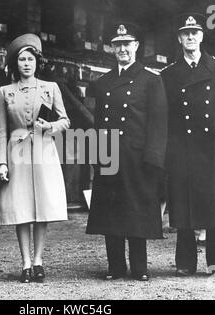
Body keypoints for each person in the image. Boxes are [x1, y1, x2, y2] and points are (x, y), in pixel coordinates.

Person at [86, 23, 168, 281]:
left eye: (127, 43)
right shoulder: (103, 82)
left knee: (137, 210)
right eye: (117, 44)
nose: (122, 48)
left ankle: (140, 267)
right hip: (109, 155)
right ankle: (115, 266)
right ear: (112, 48)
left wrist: (154, 158)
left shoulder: (151, 80)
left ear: (136, 46)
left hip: (138, 157)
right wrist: (96, 156)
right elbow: (97, 122)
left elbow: (158, 123)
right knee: (111, 210)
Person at [161, 14, 215, 279]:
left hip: (214, 147)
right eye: (185, 33)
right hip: (183, 146)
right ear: (180, 39)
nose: (190, 37)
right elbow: (168, 117)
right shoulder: (169, 73)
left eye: (195, 32)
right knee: (184, 207)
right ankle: (185, 263)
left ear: (202, 37)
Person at [0, 34, 70, 283]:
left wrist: (49, 126)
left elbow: (65, 121)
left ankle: (38, 260)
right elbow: (1, 130)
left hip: (43, 150)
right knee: (22, 208)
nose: (26, 63)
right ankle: (25, 263)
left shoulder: (51, 88)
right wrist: (1, 162)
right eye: (21, 59)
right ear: (15, 64)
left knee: (42, 208)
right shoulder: (5, 92)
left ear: (37, 62)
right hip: (16, 153)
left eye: (30, 59)